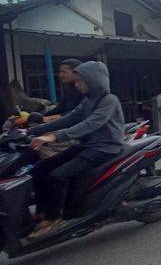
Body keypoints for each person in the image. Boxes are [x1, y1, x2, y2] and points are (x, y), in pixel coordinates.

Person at [27, 61, 125, 238]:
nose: (77, 85)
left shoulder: (109, 100)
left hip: (104, 147)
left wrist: (54, 137)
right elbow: (68, 118)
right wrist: (30, 130)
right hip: (86, 145)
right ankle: (41, 212)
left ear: (93, 80)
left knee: (59, 175)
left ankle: (54, 218)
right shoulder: (88, 100)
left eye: (80, 81)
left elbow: (91, 123)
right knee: (40, 169)